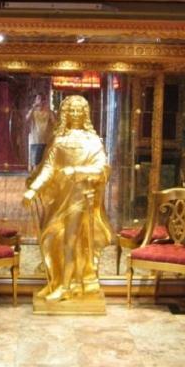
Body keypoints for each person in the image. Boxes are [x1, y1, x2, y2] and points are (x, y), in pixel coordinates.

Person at [22, 95, 112, 302]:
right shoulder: (59, 140)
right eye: (71, 110)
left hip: (80, 200)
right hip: (58, 199)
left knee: (70, 242)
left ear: (85, 114)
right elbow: (48, 168)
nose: (75, 113)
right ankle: (56, 281)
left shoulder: (92, 141)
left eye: (79, 110)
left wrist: (76, 171)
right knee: (51, 238)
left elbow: (102, 169)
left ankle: (66, 286)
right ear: (65, 114)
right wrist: (33, 190)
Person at [25, 93, 56, 169]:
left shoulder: (49, 112)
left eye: (42, 99)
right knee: (36, 165)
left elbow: (55, 123)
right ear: (35, 101)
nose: (40, 101)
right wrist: (33, 107)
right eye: (38, 99)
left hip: (46, 142)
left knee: (46, 165)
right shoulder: (33, 112)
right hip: (35, 141)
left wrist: (49, 109)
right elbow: (26, 119)